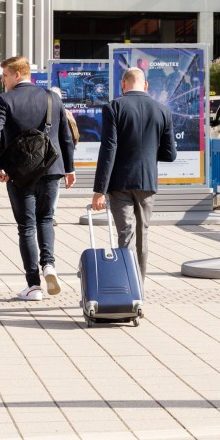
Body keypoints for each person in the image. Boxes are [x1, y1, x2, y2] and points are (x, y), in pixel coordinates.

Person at [0, 56, 77, 301]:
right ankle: (49, 264)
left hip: (20, 171)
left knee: (26, 226)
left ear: (17, 75)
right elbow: (65, 136)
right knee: (46, 219)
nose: (2, 80)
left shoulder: (5, 100)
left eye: (4, 75)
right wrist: (69, 169)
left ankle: (33, 285)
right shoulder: (52, 98)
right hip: (51, 167)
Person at [92, 67, 177, 282]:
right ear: (145, 85)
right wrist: (148, 155)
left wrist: (99, 190)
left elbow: (108, 149)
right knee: (142, 234)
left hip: (119, 182)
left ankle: (127, 286)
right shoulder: (162, 110)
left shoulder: (114, 107)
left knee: (125, 233)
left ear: (123, 84)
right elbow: (170, 154)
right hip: (148, 181)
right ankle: (140, 287)